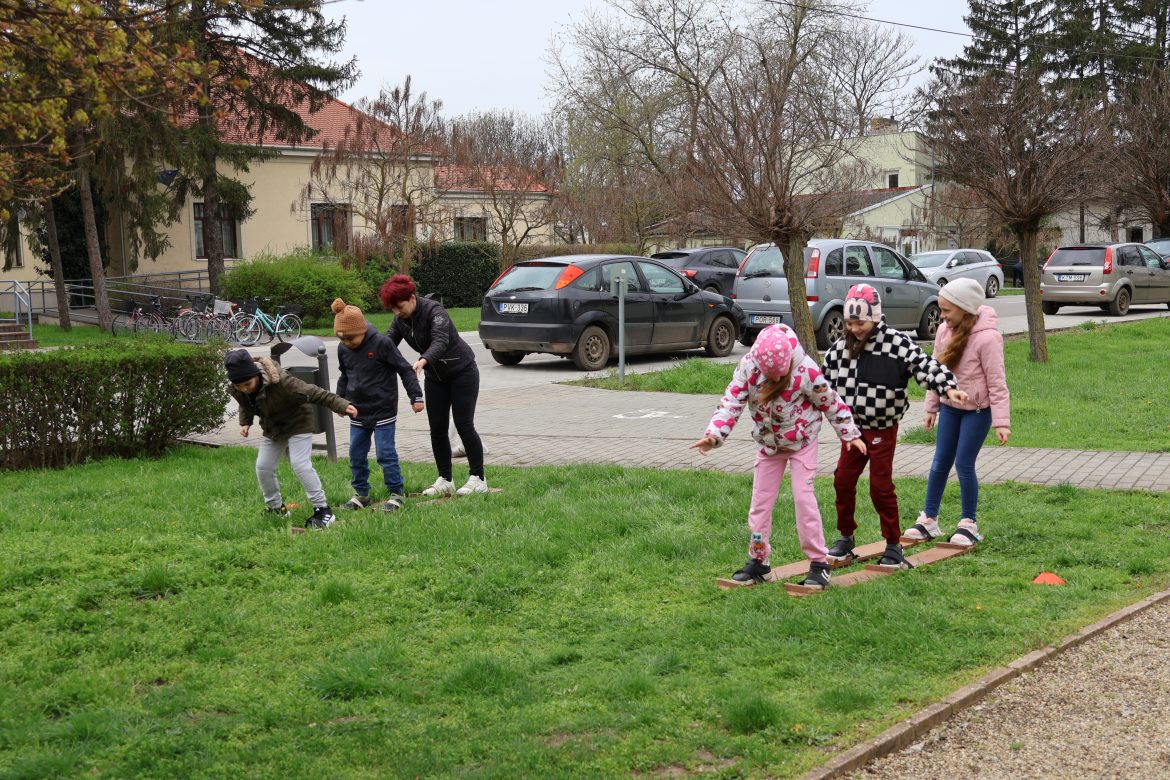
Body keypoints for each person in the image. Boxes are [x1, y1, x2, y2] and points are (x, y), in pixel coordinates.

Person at [690, 323, 866, 589]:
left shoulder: (805, 368)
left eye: (778, 378)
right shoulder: (748, 367)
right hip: (768, 445)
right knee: (760, 504)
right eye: (768, 378)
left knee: (803, 498)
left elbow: (829, 401)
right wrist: (714, 435)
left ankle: (819, 563)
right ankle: (759, 562)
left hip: (802, 441)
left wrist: (849, 433)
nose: (773, 382)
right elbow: (732, 401)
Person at [822, 284, 968, 568]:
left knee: (880, 486)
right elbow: (819, 382)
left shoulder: (896, 344)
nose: (854, 329)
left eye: (860, 322)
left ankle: (893, 544)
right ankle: (846, 538)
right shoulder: (841, 349)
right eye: (850, 323)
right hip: (852, 431)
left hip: (881, 428)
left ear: (875, 318)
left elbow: (925, 365)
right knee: (842, 480)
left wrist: (948, 389)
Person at [903, 278, 1011, 546]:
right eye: (941, 309)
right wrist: (931, 407)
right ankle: (929, 519)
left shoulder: (989, 338)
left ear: (964, 308)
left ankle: (969, 523)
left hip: (977, 412)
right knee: (939, 463)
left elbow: (997, 383)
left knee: (964, 464)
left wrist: (1001, 422)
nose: (943, 315)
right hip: (951, 409)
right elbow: (935, 371)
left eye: (947, 310)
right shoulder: (943, 332)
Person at [224, 348, 357, 529]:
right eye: (239, 386)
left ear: (256, 374)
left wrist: (341, 405)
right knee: (263, 467)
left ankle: (323, 510)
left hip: (298, 422)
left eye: (248, 384)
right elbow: (246, 404)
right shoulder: (240, 388)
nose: (244, 389)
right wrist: (245, 423)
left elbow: (314, 391)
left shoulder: (283, 382)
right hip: (273, 427)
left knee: (300, 464)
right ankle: (276, 508)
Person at [379, 276, 488, 496]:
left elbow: (441, 341)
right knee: (437, 429)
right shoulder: (401, 320)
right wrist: (369, 354)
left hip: (462, 372)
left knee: (464, 424)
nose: (397, 312)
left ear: (411, 298)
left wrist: (423, 360)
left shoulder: (435, 311)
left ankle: (478, 478)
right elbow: (387, 342)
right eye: (392, 309)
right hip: (436, 378)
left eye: (399, 307)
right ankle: (446, 478)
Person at [332, 298, 425, 513]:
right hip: (357, 410)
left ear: (362, 329)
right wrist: (340, 401)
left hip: (382, 408)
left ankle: (396, 492)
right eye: (342, 339)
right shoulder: (343, 348)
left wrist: (416, 397)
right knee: (356, 454)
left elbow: (404, 369)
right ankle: (361, 494)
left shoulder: (382, 344)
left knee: (385, 453)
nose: (347, 343)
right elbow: (345, 375)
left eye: (350, 338)